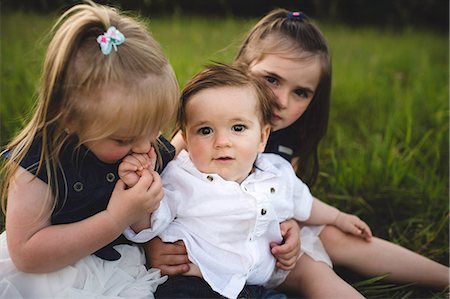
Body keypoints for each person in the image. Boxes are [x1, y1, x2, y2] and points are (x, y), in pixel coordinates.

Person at [147, 8, 450, 298]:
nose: (281, 101)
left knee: (337, 236)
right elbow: (160, 186)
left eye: (300, 93)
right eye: (271, 79)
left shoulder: (290, 134)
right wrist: (153, 244)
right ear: (242, 69)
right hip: (207, 242)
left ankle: (443, 277)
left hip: (265, 243)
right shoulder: (209, 123)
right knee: (327, 241)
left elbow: (283, 196)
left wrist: (290, 227)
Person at [119, 63, 372, 299]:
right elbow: (149, 222)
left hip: (257, 285)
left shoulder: (276, 172)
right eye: (205, 131)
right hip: (195, 282)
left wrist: (338, 217)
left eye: (237, 128)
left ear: (262, 137)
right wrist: (138, 190)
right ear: (186, 137)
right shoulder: (181, 177)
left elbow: (303, 203)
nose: (222, 142)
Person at [0, 2, 179, 298]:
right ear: (70, 118)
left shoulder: (144, 142)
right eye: (122, 140)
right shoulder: (40, 160)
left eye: (154, 129)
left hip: (119, 274)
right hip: (52, 278)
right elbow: (26, 254)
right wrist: (114, 219)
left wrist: (142, 206)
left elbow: (153, 224)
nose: (145, 146)